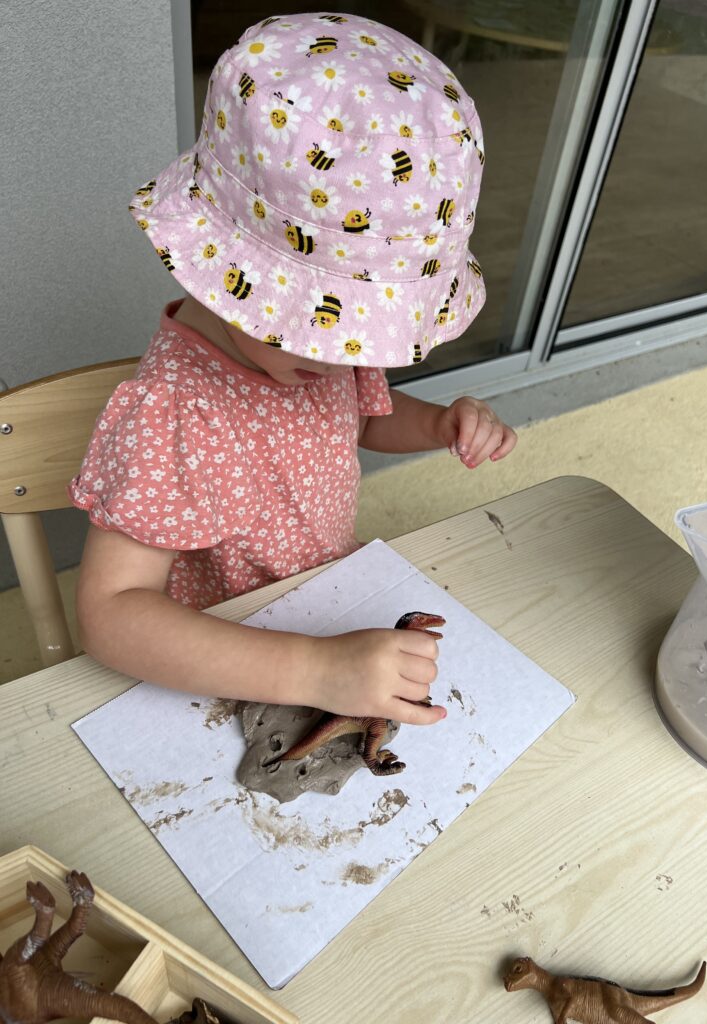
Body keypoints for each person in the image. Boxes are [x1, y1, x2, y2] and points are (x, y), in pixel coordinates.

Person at [70, 12, 517, 729]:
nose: (343, 358)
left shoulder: (318, 354)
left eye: (360, 337)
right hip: (225, 659)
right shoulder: (174, 409)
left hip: (326, 605)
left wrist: (439, 424)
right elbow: (111, 614)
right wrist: (316, 671)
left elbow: (366, 418)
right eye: (328, 330)